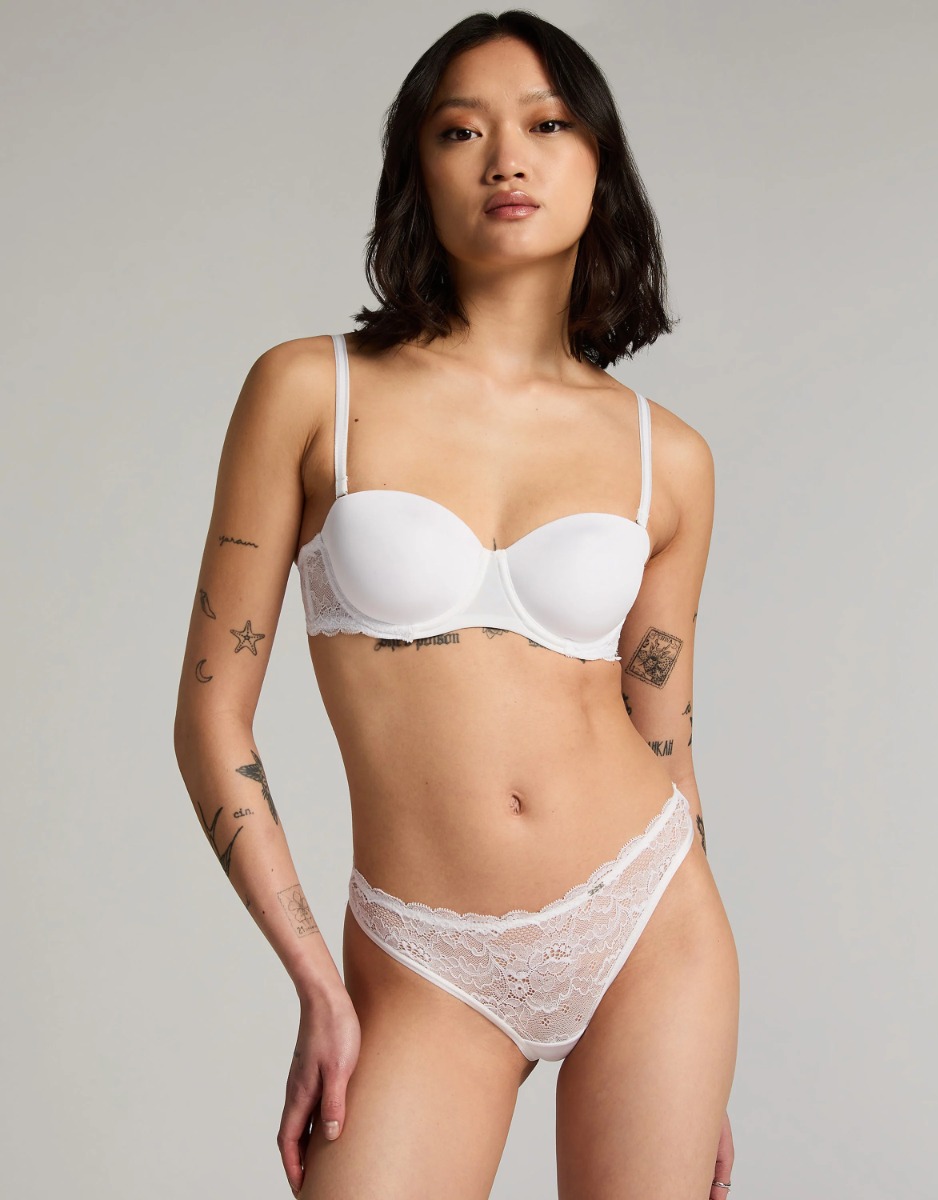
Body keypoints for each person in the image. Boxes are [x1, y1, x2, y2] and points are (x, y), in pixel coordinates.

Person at [173, 10, 739, 1198]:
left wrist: (699, 1079)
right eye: (459, 129)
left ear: (600, 166)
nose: (506, 158)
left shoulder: (668, 458)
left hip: (649, 925)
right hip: (423, 957)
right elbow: (211, 718)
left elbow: (666, 744)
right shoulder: (308, 391)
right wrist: (315, 979)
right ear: (415, 170)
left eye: (548, 125)